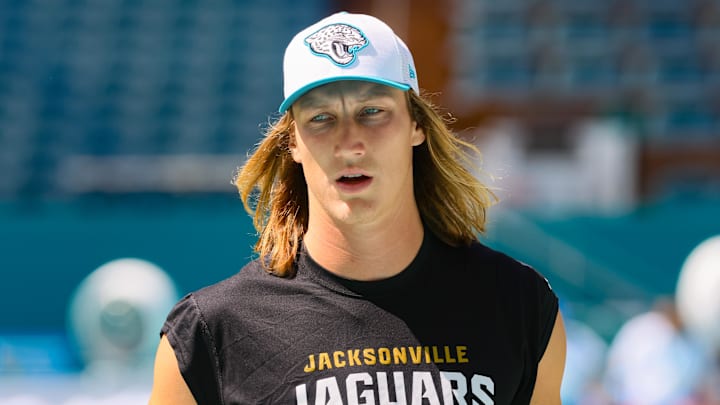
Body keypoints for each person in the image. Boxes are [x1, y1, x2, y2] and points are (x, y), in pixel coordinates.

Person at [149, 11, 566, 405]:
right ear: (292, 142)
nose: (349, 143)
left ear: (416, 125)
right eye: (321, 118)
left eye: (372, 112)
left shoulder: (519, 308)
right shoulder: (210, 334)